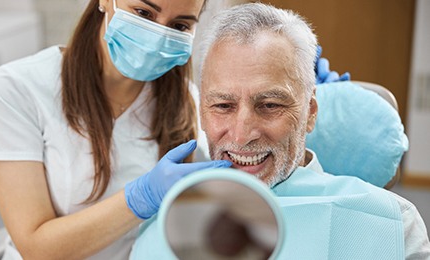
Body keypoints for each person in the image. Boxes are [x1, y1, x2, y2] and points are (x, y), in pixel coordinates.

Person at [0, 0, 346, 259]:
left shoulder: (187, 100)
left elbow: (248, 172)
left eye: (180, 25)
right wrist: (140, 198)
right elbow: (37, 249)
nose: (158, 32)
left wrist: (293, 98)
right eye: (143, 11)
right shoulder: (18, 89)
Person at [131, 2, 430, 259]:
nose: (241, 134)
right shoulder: (163, 227)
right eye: (223, 105)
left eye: (270, 105)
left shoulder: (391, 224)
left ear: (310, 113)